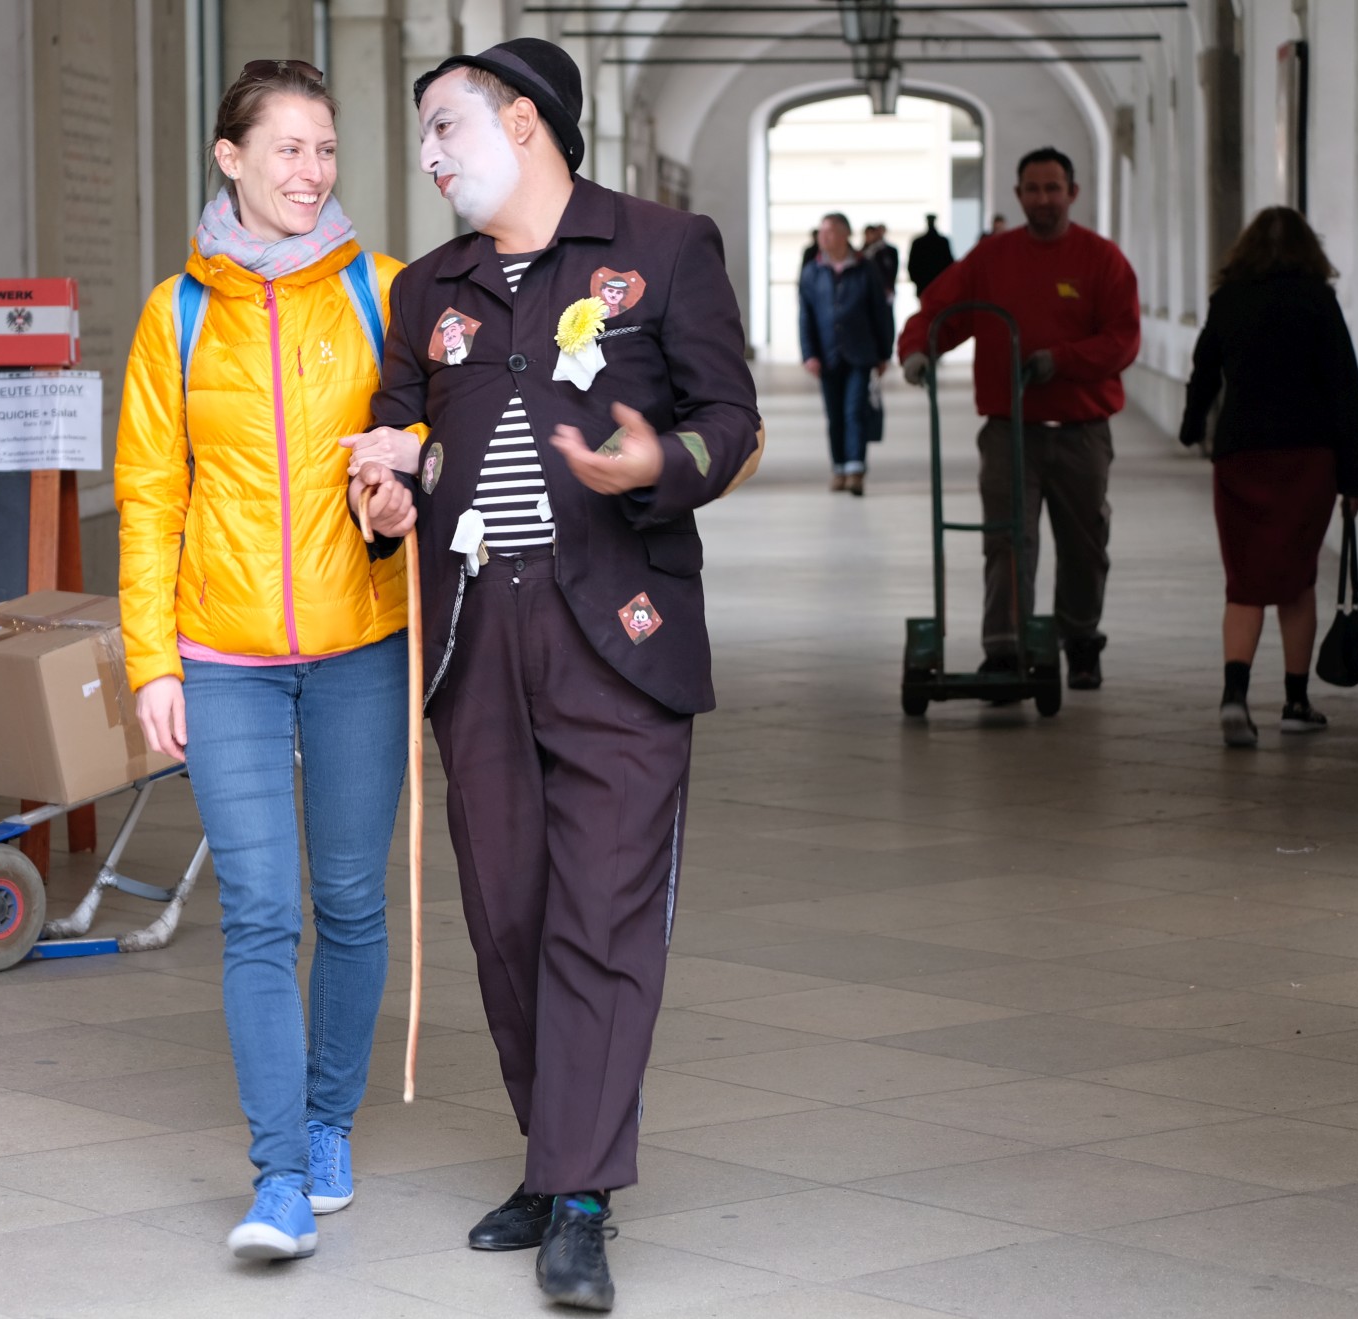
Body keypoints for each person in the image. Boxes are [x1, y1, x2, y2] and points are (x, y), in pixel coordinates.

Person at [345, 38, 762, 1312]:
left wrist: (659, 465)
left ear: (523, 121)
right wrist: (386, 491)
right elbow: (401, 432)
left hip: (619, 630)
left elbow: (733, 420)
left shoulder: (664, 245)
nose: (426, 153)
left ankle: (578, 1192)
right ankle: (553, 1146)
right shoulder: (429, 289)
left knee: (604, 911)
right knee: (509, 912)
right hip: (479, 638)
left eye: (443, 125)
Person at [114, 58, 410, 1263]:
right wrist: (150, 661)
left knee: (347, 900)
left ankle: (331, 1122)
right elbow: (146, 495)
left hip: (359, 644)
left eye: (326, 148)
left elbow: (427, 437)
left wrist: (404, 476)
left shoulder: (384, 296)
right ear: (229, 159)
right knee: (258, 911)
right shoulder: (174, 313)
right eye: (287, 148)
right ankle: (279, 1173)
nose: (312, 171)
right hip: (221, 653)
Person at [900, 146, 1140, 691]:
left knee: (1085, 542)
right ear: (1018, 195)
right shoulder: (992, 259)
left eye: (1053, 188)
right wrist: (919, 350)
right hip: (1010, 430)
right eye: (1033, 189)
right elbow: (940, 309)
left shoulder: (1102, 260)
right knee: (1007, 539)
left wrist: (1063, 360)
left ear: (1073, 193)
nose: (1043, 199)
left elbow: (1122, 339)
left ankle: (1080, 640)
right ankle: (1005, 648)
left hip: (1080, 432)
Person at [1179, 207, 1358, 745]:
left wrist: (1192, 427)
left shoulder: (1228, 301)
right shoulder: (1317, 302)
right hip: (1308, 457)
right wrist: (1355, 477)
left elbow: (1204, 370)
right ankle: (1295, 701)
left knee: (1245, 580)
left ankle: (1234, 695)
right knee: (1296, 579)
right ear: (1310, 251)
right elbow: (1346, 389)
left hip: (1242, 454)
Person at [800, 213, 893, 494]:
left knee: (854, 411)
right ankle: (839, 467)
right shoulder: (812, 271)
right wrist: (809, 354)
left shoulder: (866, 269)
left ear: (843, 235)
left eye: (828, 232)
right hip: (828, 355)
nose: (822, 238)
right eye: (820, 233)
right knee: (835, 414)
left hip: (860, 353)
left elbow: (881, 312)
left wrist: (884, 353)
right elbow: (806, 316)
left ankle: (855, 469)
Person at [908, 212, 954, 296]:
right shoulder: (942, 242)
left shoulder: (919, 242)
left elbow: (912, 265)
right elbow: (949, 263)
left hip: (926, 284)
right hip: (937, 283)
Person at [863, 222, 901, 302]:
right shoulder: (865, 251)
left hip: (884, 287)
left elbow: (892, 270)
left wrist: (889, 286)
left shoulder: (887, 251)